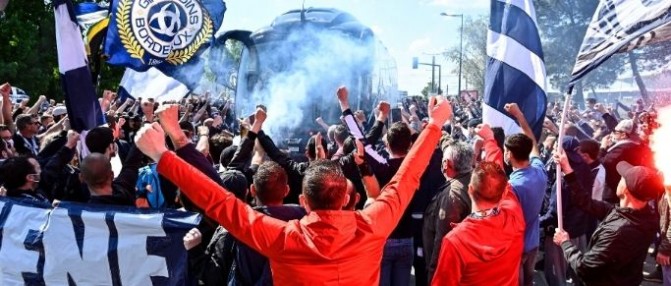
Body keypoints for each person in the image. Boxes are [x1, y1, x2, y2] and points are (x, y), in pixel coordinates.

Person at [132, 95, 453, 285]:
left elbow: (221, 203)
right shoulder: (374, 225)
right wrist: (434, 125)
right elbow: (406, 178)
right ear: (346, 198)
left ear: (303, 201)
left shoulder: (283, 237)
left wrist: (164, 154)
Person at [553, 153, 663, 286]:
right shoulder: (642, 216)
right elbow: (585, 202)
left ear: (626, 189)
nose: (619, 180)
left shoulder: (618, 233)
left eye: (622, 178)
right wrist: (567, 169)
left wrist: (565, 243)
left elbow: (585, 268)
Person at [431, 161, 525, 286]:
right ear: (503, 195)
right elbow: (505, 189)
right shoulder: (515, 218)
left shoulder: (455, 241)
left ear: (470, 189)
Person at [422, 138, 474, 282]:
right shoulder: (474, 180)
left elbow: (442, 238)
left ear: (447, 164)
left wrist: (433, 272)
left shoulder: (452, 195)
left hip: (448, 271)